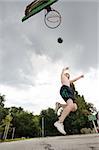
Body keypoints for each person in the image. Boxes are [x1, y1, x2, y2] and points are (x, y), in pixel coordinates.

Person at [54, 67, 84, 135]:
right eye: (66, 74)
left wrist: (80, 77)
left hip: (68, 90)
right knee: (70, 105)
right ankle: (59, 122)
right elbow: (62, 73)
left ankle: (60, 105)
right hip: (65, 89)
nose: (67, 75)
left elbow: (74, 80)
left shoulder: (68, 81)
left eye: (68, 75)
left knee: (74, 107)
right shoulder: (63, 77)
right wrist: (64, 70)